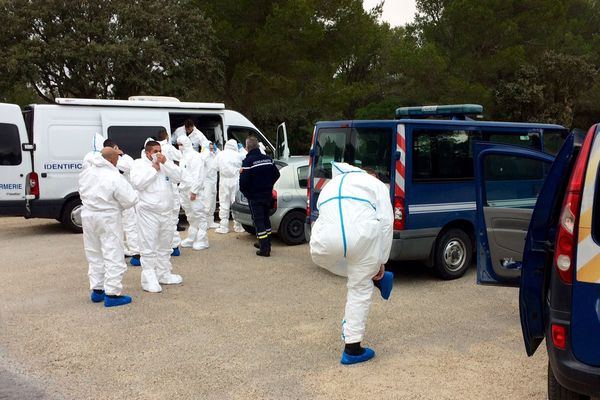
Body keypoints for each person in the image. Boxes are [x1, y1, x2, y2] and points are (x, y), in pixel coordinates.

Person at [309, 162, 394, 365]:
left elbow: (321, 216)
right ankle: (352, 350)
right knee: (359, 287)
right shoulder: (376, 185)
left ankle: (370, 275)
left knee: (353, 268)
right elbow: (386, 222)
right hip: (363, 241)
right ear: (370, 174)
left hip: (324, 247)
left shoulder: (330, 185)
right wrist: (381, 260)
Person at [78, 147, 138, 307]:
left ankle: (97, 290)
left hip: (88, 215)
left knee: (94, 252)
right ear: (112, 160)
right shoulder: (114, 176)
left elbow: (81, 191)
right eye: (117, 158)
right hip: (108, 217)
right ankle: (112, 293)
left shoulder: (87, 172)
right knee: (113, 252)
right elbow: (130, 199)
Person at [130, 140, 183, 293]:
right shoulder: (139, 164)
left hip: (166, 212)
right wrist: (154, 169)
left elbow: (179, 176)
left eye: (160, 151)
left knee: (165, 245)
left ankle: (164, 273)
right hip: (148, 212)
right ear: (147, 153)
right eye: (155, 151)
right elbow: (137, 183)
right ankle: (148, 278)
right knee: (148, 246)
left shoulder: (165, 164)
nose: (158, 154)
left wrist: (166, 162)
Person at [239, 136, 280, 256]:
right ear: (257, 146)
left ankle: (264, 249)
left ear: (247, 148)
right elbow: (276, 174)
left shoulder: (248, 162)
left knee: (258, 222)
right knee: (266, 220)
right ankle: (266, 243)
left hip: (255, 197)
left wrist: (248, 194)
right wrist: (268, 185)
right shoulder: (268, 159)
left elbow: (243, 183)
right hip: (267, 195)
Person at [177, 136, 209, 250]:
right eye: (178, 144)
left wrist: (194, 191)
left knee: (199, 215)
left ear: (185, 144)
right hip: (185, 190)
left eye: (180, 144)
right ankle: (192, 238)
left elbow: (198, 175)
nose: (178, 146)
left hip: (194, 191)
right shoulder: (183, 157)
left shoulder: (195, 157)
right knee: (190, 216)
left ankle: (203, 240)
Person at [158, 129, 183, 256]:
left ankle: (165, 248)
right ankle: (174, 246)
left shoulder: (151, 150)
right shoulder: (167, 148)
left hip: (159, 193)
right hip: (171, 186)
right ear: (166, 136)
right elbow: (180, 156)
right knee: (172, 219)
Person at [215, 139, 246, 234]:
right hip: (236, 180)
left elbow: (215, 167)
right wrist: (241, 149)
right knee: (235, 202)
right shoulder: (239, 155)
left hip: (224, 181)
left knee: (224, 203)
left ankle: (223, 226)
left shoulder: (220, 155)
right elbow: (247, 156)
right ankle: (238, 226)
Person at [200, 141, 220, 229]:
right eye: (210, 148)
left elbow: (221, 157)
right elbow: (201, 160)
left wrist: (216, 150)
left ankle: (210, 222)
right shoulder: (203, 156)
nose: (212, 150)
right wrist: (206, 151)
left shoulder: (214, 156)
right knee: (206, 204)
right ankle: (204, 223)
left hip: (213, 182)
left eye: (212, 148)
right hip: (206, 182)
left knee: (212, 204)